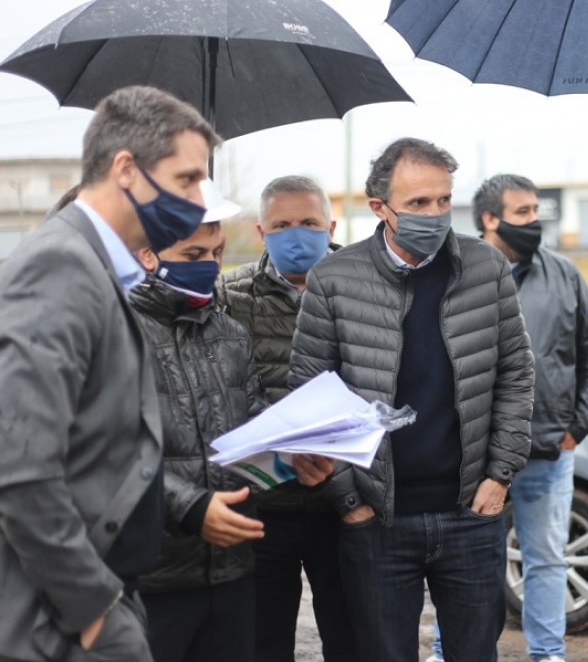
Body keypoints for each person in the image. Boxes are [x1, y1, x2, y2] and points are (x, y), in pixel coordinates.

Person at [0, 85, 218, 662]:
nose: (198, 199)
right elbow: (17, 471)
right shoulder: (60, 269)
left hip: (88, 604)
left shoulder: (93, 269)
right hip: (60, 622)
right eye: (186, 179)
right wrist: (94, 614)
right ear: (127, 169)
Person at [289, 137, 535, 662]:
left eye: (444, 201)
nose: (435, 214)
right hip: (378, 521)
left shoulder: (485, 267)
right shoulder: (334, 280)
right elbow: (310, 395)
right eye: (419, 204)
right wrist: (349, 501)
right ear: (379, 208)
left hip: (470, 512)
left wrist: (500, 474)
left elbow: (516, 372)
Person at [429, 174, 588, 662]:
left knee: (547, 558)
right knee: (464, 562)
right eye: (524, 212)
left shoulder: (566, 276)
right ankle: (450, 652)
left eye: (536, 211)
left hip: (548, 451)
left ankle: (547, 654)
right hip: (474, 456)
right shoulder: (457, 275)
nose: (535, 221)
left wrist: (574, 431)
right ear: (490, 219)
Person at [216, 175, 357, 662]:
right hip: (262, 506)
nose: (296, 234)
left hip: (345, 503)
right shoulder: (227, 296)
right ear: (261, 232)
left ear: (330, 225)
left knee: (352, 638)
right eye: (282, 225)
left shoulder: (365, 290)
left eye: (308, 223)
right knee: (263, 642)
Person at [131, 180, 267, 662]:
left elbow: (251, 434)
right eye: (194, 252)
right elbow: (113, 456)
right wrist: (192, 508)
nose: (210, 264)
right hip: (152, 577)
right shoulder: (117, 333)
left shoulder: (232, 334)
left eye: (217, 250)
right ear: (148, 254)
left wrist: (292, 458)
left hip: (232, 572)